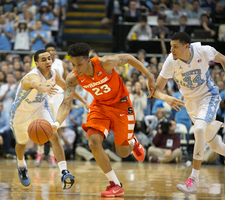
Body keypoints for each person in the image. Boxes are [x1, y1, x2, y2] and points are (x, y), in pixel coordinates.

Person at [52, 42, 156, 197]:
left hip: (121, 105)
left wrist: (150, 76)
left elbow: (128, 58)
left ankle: (133, 142)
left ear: (88, 60)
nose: (76, 69)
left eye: (79, 64)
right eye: (73, 64)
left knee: (122, 152)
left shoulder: (105, 63)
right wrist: (56, 123)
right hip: (99, 106)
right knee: (93, 141)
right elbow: (66, 103)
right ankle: (115, 184)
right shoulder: (73, 78)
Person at [152, 32, 225, 195]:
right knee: (213, 144)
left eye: (175, 46)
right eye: (170, 46)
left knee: (198, 130)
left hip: (208, 97)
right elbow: (155, 90)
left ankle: (193, 180)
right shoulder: (170, 61)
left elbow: (224, 59)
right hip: (191, 104)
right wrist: (165, 97)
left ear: (186, 46)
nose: (172, 50)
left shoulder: (203, 50)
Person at [10, 49, 89, 188]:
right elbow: (38, 86)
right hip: (21, 112)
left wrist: (84, 101)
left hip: (40, 108)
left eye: (49, 58)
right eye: (44, 59)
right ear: (36, 63)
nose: (48, 61)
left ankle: (64, 171)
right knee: (21, 143)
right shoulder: (31, 76)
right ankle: (21, 165)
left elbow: (68, 88)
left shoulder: (54, 73)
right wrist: (45, 87)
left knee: (54, 133)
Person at [34, 43, 69, 168]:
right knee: (41, 126)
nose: (51, 52)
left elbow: (66, 81)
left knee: (56, 127)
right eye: (49, 50)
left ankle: (53, 156)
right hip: (45, 96)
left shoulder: (61, 63)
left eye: (53, 50)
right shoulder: (41, 64)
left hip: (58, 95)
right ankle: (39, 154)